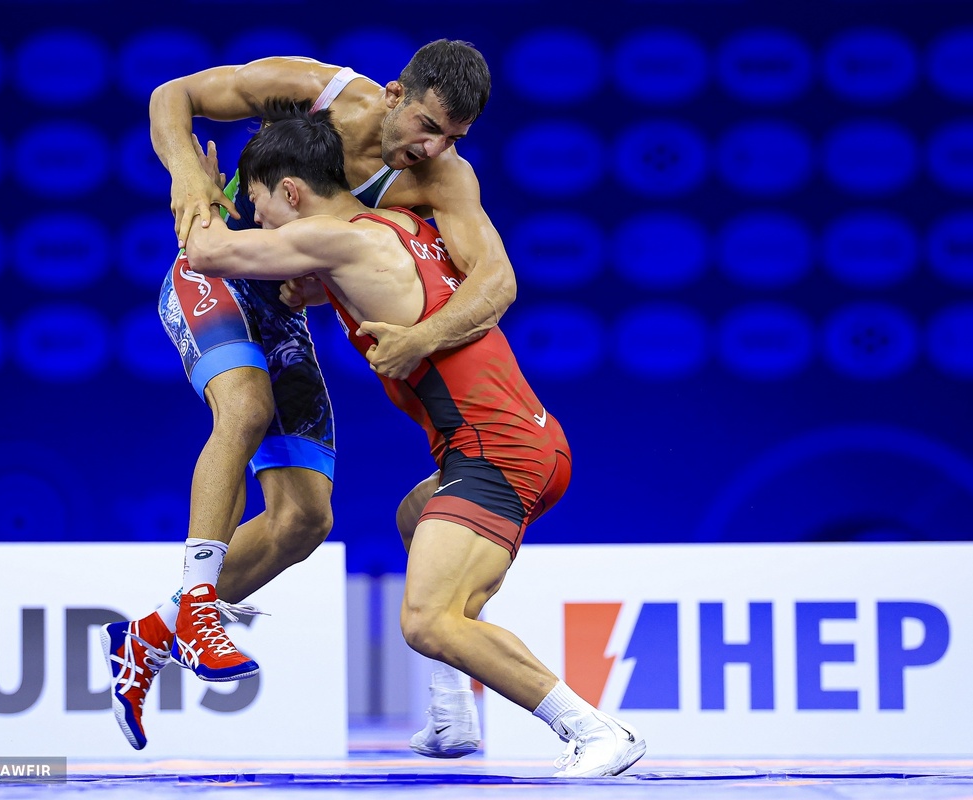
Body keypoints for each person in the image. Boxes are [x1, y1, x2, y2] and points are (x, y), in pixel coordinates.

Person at [179, 106, 647, 779]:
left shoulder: (339, 240)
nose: (260, 224)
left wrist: (202, 188)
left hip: (497, 451)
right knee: (414, 516)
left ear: (291, 193)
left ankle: (594, 730)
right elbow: (381, 285)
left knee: (428, 621)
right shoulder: (396, 225)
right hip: (530, 440)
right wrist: (316, 289)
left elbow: (206, 252)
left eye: (259, 207)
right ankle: (452, 711)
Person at [100, 39, 509, 754]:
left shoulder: (443, 178)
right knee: (247, 406)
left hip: (281, 309)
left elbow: (495, 284)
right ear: (392, 93)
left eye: (452, 137)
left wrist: (421, 337)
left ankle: (147, 637)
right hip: (212, 273)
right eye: (426, 124)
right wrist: (188, 183)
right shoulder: (319, 90)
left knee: (303, 521)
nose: (434, 146)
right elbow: (174, 94)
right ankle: (196, 602)